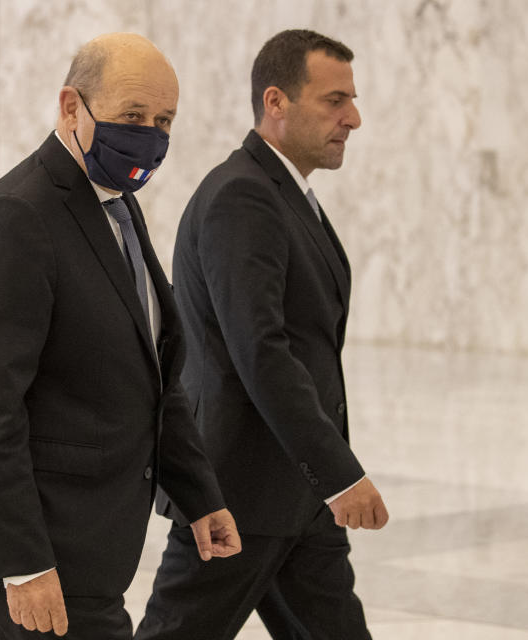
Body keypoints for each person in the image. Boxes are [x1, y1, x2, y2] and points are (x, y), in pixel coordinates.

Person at [0, 32, 240, 640]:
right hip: (38, 543)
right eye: (132, 115)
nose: (151, 135)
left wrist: (199, 496)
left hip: (89, 538)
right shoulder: (17, 217)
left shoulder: (117, 206)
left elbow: (154, 378)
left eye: (164, 120)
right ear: (71, 106)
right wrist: (23, 562)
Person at [135, 29, 388, 640]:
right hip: (240, 494)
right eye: (334, 101)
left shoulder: (286, 194)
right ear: (275, 102)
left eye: (351, 100)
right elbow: (261, 352)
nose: (352, 118)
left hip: (293, 494)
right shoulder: (243, 196)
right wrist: (340, 473)